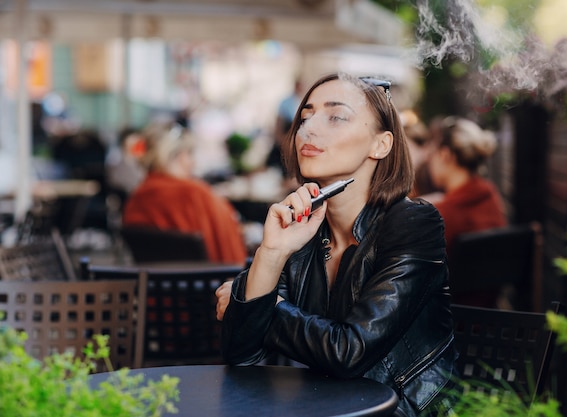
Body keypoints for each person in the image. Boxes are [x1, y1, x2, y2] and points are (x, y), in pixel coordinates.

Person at [216, 73, 458, 417]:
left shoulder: (412, 223)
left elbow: (350, 352)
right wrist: (272, 253)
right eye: (305, 117)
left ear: (381, 144)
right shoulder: (301, 228)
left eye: (336, 116)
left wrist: (259, 302)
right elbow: (241, 357)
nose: (308, 129)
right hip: (315, 408)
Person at [123, 123, 248, 266]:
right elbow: (230, 253)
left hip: (155, 285)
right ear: (180, 156)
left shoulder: (136, 198)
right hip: (206, 283)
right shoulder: (197, 194)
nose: (193, 162)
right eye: (190, 154)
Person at [426, 116, 507, 254]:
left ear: (445, 155)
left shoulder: (439, 217)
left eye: (432, 153)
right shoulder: (491, 196)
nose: (429, 160)